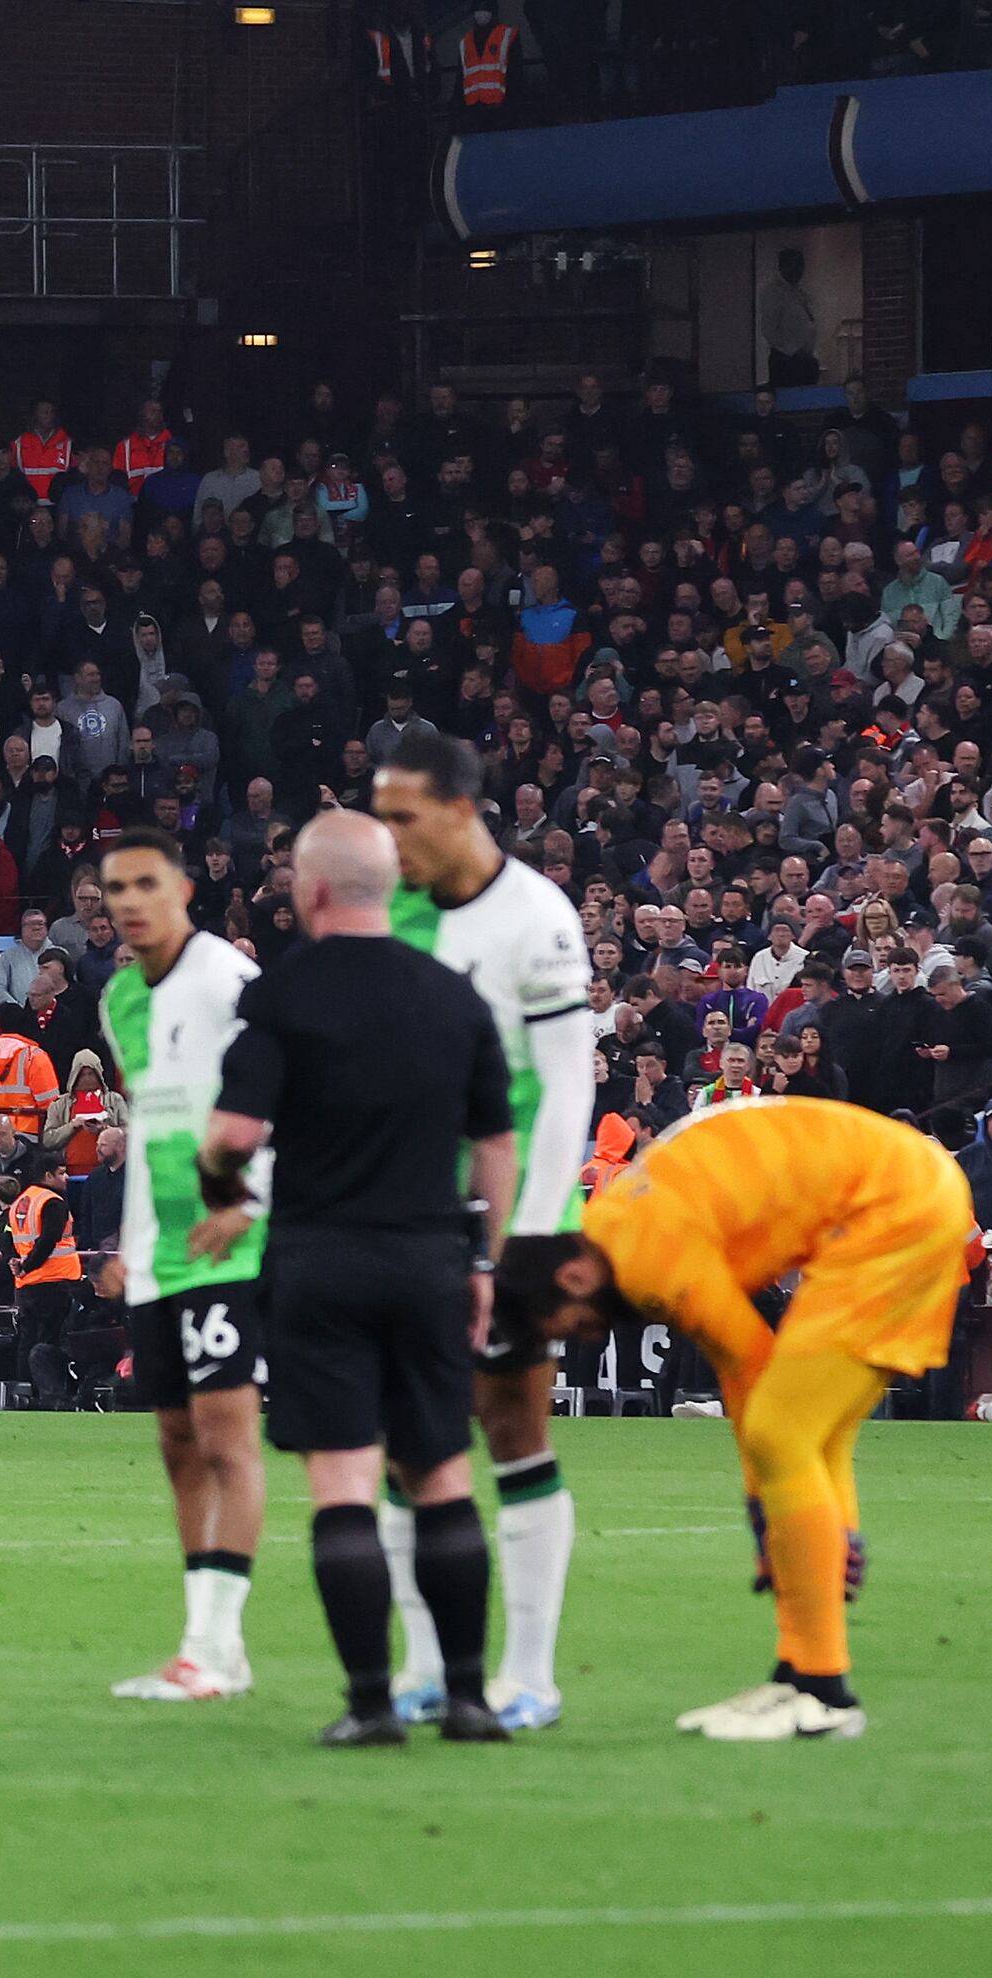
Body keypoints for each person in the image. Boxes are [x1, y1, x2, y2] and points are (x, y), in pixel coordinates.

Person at [492, 1100, 980, 1742]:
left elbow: (751, 1362)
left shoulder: (645, 1260)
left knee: (783, 1434)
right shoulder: (619, 1227)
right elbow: (733, 1364)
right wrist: (777, 1521)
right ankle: (798, 1672)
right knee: (801, 1435)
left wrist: (768, 1517)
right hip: (898, 1190)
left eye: (554, 1326)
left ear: (574, 1274)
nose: (572, 1340)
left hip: (894, 1206)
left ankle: (825, 1692)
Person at [192, 808, 514, 1749]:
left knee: (344, 1487)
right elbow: (496, 1144)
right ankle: (466, 1697)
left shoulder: (285, 997)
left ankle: (372, 1702)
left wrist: (230, 1194)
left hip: (320, 1263)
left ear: (313, 890)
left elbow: (231, 1138)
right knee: (445, 1477)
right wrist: (482, 1257)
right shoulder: (454, 998)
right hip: (430, 1260)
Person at [368, 720, 597, 1729]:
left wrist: (525, 1243)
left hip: (511, 1218)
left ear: (458, 811)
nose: (387, 837)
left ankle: (531, 1676)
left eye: (401, 818)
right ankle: (422, 1669)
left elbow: (562, 1093)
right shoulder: (392, 912)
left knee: (509, 1427)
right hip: (401, 1219)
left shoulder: (534, 918)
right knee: (395, 1446)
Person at [84, 831, 265, 1702]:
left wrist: (248, 1203)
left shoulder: (229, 981)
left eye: (145, 883)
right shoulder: (119, 997)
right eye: (114, 887)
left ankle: (210, 1646)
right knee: (176, 1442)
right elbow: (153, 1128)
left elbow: (283, 1092)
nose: (126, 900)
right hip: (159, 1254)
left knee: (229, 1438)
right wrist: (128, 1243)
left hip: (234, 1244)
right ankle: (213, 1647)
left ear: (185, 889)